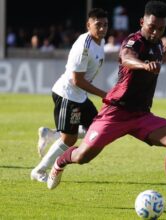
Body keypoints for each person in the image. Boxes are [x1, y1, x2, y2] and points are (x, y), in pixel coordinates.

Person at [46, 1, 166, 212]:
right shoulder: (133, 41)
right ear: (142, 22)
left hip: (140, 115)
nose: (156, 32)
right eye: (152, 27)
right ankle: (60, 163)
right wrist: (144, 65)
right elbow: (127, 58)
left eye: (161, 28)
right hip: (116, 112)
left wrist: (161, 57)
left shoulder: (157, 45)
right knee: (83, 157)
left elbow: (153, 61)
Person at [30, 8, 108, 182]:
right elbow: (76, 80)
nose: (102, 28)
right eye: (98, 25)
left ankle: (50, 134)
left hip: (79, 95)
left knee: (96, 129)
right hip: (68, 95)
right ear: (89, 25)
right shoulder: (84, 47)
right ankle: (39, 170)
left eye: (105, 25)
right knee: (69, 140)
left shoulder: (99, 42)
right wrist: (104, 94)